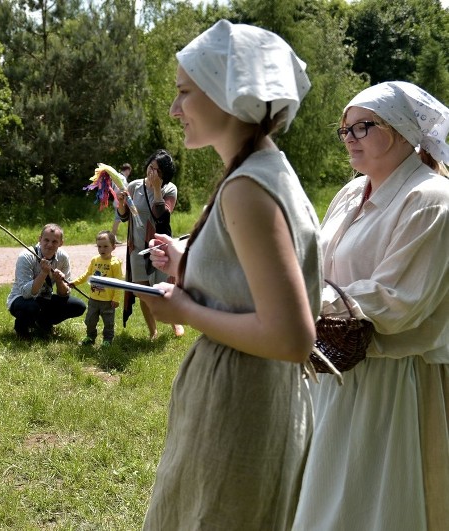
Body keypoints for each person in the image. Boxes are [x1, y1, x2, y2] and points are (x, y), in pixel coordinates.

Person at [139, 20, 321, 529]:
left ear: (228, 93)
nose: (175, 109)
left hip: (242, 404)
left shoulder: (247, 187)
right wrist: (188, 263)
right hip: (254, 395)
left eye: (183, 92)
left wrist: (182, 308)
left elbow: (291, 336)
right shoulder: (266, 169)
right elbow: (251, 285)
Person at [292, 82, 449, 530]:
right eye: (344, 130)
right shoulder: (348, 193)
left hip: (392, 382)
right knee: (324, 496)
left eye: (363, 126)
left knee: (373, 505)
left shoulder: (431, 200)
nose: (350, 138)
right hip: (334, 367)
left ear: (402, 131)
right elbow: (319, 265)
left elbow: (398, 301)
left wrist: (303, 302)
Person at [116, 150, 184, 339]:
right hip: (136, 247)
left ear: (165, 175)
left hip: (159, 246)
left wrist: (156, 188)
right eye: (151, 167)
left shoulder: (169, 189)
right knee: (143, 291)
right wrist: (121, 204)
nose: (151, 172)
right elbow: (124, 216)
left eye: (157, 171)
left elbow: (161, 216)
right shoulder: (134, 186)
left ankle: (175, 322)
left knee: (163, 288)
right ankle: (152, 331)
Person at [6, 223, 86, 339]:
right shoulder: (26, 256)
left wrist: (59, 282)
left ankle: (43, 323)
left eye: (54, 242)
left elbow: (64, 294)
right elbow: (26, 293)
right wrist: (43, 273)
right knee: (31, 307)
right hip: (21, 299)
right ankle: (21, 330)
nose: (49, 245)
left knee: (78, 306)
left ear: (61, 243)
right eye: (46, 240)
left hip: (44, 297)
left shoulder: (63, 257)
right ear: (40, 239)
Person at [68, 230, 123, 347]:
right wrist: (75, 282)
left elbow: (118, 282)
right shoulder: (95, 260)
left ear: (113, 247)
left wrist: (116, 298)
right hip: (93, 299)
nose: (102, 249)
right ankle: (90, 337)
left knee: (108, 322)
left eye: (105, 246)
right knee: (90, 320)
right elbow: (87, 275)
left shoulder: (115, 263)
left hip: (108, 301)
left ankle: (107, 340)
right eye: (99, 246)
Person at [109, 163, 131, 243]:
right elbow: (124, 189)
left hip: (117, 201)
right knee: (117, 219)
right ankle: (112, 238)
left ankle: (113, 238)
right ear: (128, 170)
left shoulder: (118, 176)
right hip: (120, 201)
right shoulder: (122, 178)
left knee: (119, 219)